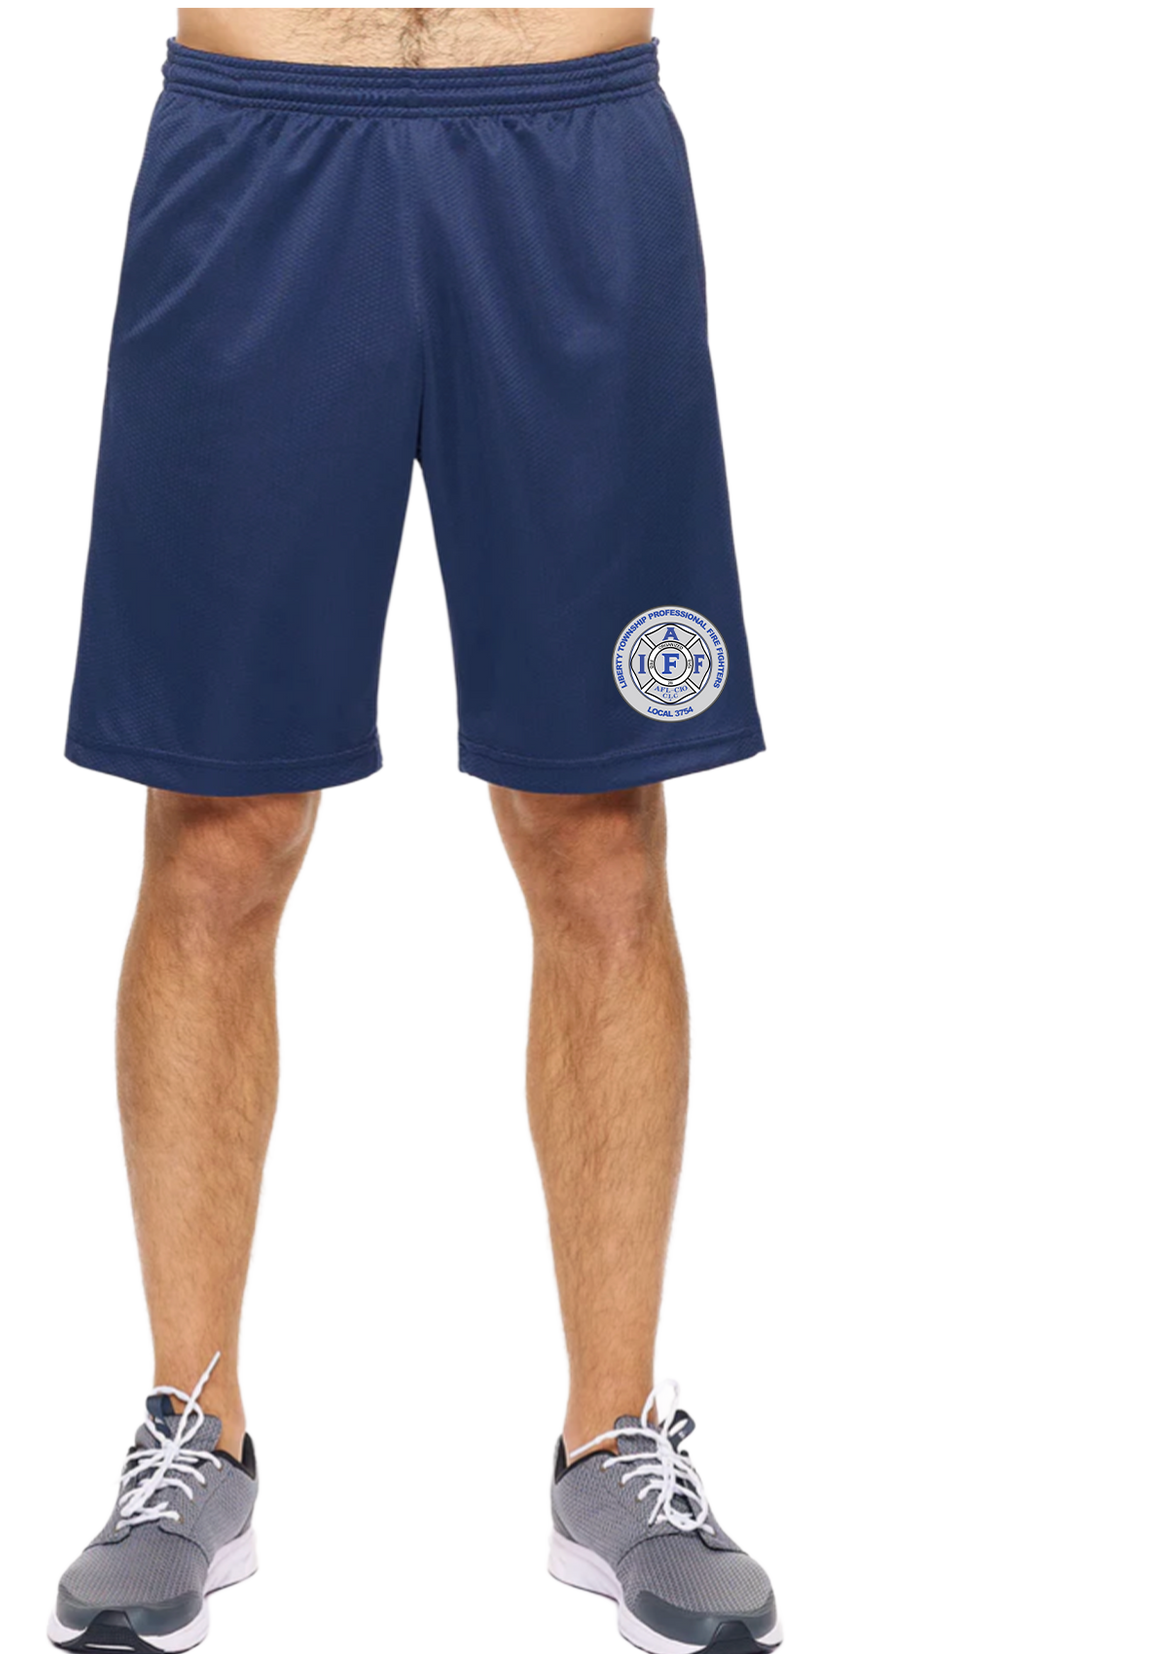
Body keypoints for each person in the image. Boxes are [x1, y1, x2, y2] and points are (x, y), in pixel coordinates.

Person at [45, 8, 784, 1653]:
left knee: (599, 831)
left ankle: (612, 1445)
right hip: (257, 147)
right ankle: (189, 1437)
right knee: (216, 828)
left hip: (572, 152)